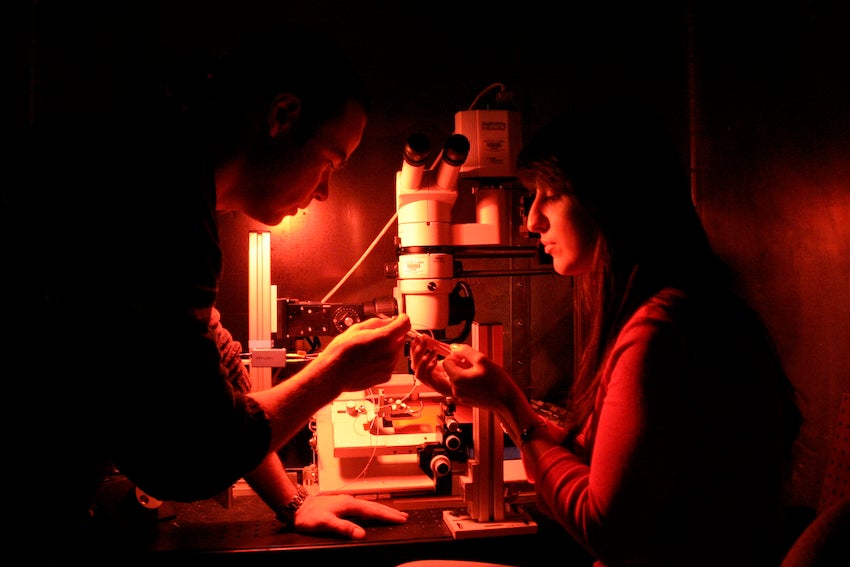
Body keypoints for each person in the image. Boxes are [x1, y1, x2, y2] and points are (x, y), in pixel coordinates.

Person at [1, 23, 411, 564]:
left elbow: (212, 373)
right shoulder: (153, 195)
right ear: (281, 116)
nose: (325, 189)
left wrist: (291, 502)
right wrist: (334, 372)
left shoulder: (162, 164)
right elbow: (190, 456)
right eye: (329, 160)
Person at [409, 104, 803, 566]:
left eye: (549, 194)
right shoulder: (687, 308)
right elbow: (598, 466)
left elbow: (607, 527)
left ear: (610, 200)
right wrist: (492, 400)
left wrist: (508, 404)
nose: (533, 220)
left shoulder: (662, 330)